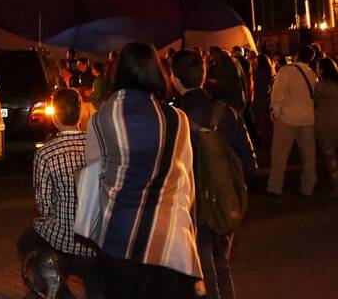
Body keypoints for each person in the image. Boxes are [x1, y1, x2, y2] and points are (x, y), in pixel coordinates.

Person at [80, 42, 201, 298]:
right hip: (169, 242)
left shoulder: (102, 120)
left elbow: (92, 172)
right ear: (157, 72)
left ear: (118, 72)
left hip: (118, 238)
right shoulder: (177, 120)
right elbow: (186, 182)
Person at [170, 50, 257, 299]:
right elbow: (250, 164)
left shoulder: (174, 118)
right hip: (224, 197)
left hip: (192, 204)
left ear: (175, 79)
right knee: (223, 264)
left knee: (202, 265)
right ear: (204, 74)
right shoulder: (227, 111)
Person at [18, 87, 100, 298]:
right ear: (80, 112)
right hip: (96, 236)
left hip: (63, 237)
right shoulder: (97, 145)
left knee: (27, 240)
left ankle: (56, 287)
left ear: (55, 116)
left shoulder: (46, 152)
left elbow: (44, 207)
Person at [267, 45, 318, 196]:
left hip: (287, 118)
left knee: (279, 156)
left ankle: (275, 187)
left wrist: (275, 111)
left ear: (296, 55)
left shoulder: (286, 71)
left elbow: (278, 93)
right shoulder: (312, 75)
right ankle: (308, 188)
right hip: (307, 119)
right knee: (309, 157)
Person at [313, 57, 338, 196]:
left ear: (322, 70)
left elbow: (314, 102)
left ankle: (336, 187)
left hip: (325, 124)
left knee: (331, 158)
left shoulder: (319, 87)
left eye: (317, 67)